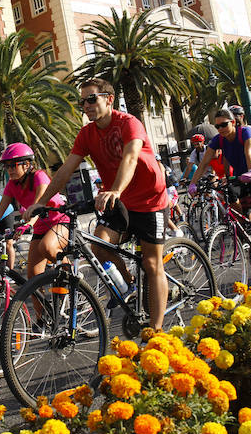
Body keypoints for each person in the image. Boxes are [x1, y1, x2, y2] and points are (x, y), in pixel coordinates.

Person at [26, 77, 170, 330]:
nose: (86, 105)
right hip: (119, 200)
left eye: (92, 99)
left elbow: (130, 157)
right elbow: (66, 169)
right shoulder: (87, 134)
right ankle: (131, 285)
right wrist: (41, 202)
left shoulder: (129, 123)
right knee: (99, 246)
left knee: (151, 263)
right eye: (82, 102)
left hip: (149, 199)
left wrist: (115, 189)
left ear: (109, 99)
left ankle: (156, 331)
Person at [189, 108, 251, 277]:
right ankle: (245, 228)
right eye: (217, 126)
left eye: (224, 124)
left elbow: (248, 153)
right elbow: (203, 164)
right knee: (230, 194)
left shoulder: (244, 132)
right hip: (239, 177)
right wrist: (193, 184)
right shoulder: (218, 140)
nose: (221, 129)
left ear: (233, 122)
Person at [0, 143, 70, 318]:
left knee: (47, 247)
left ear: (27, 164)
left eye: (13, 165)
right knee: (32, 278)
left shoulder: (39, 177)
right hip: (40, 227)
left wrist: (28, 224)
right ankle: (42, 318)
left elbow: (39, 203)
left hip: (59, 221)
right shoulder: (11, 185)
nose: (9, 169)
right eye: (6, 166)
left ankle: (71, 273)